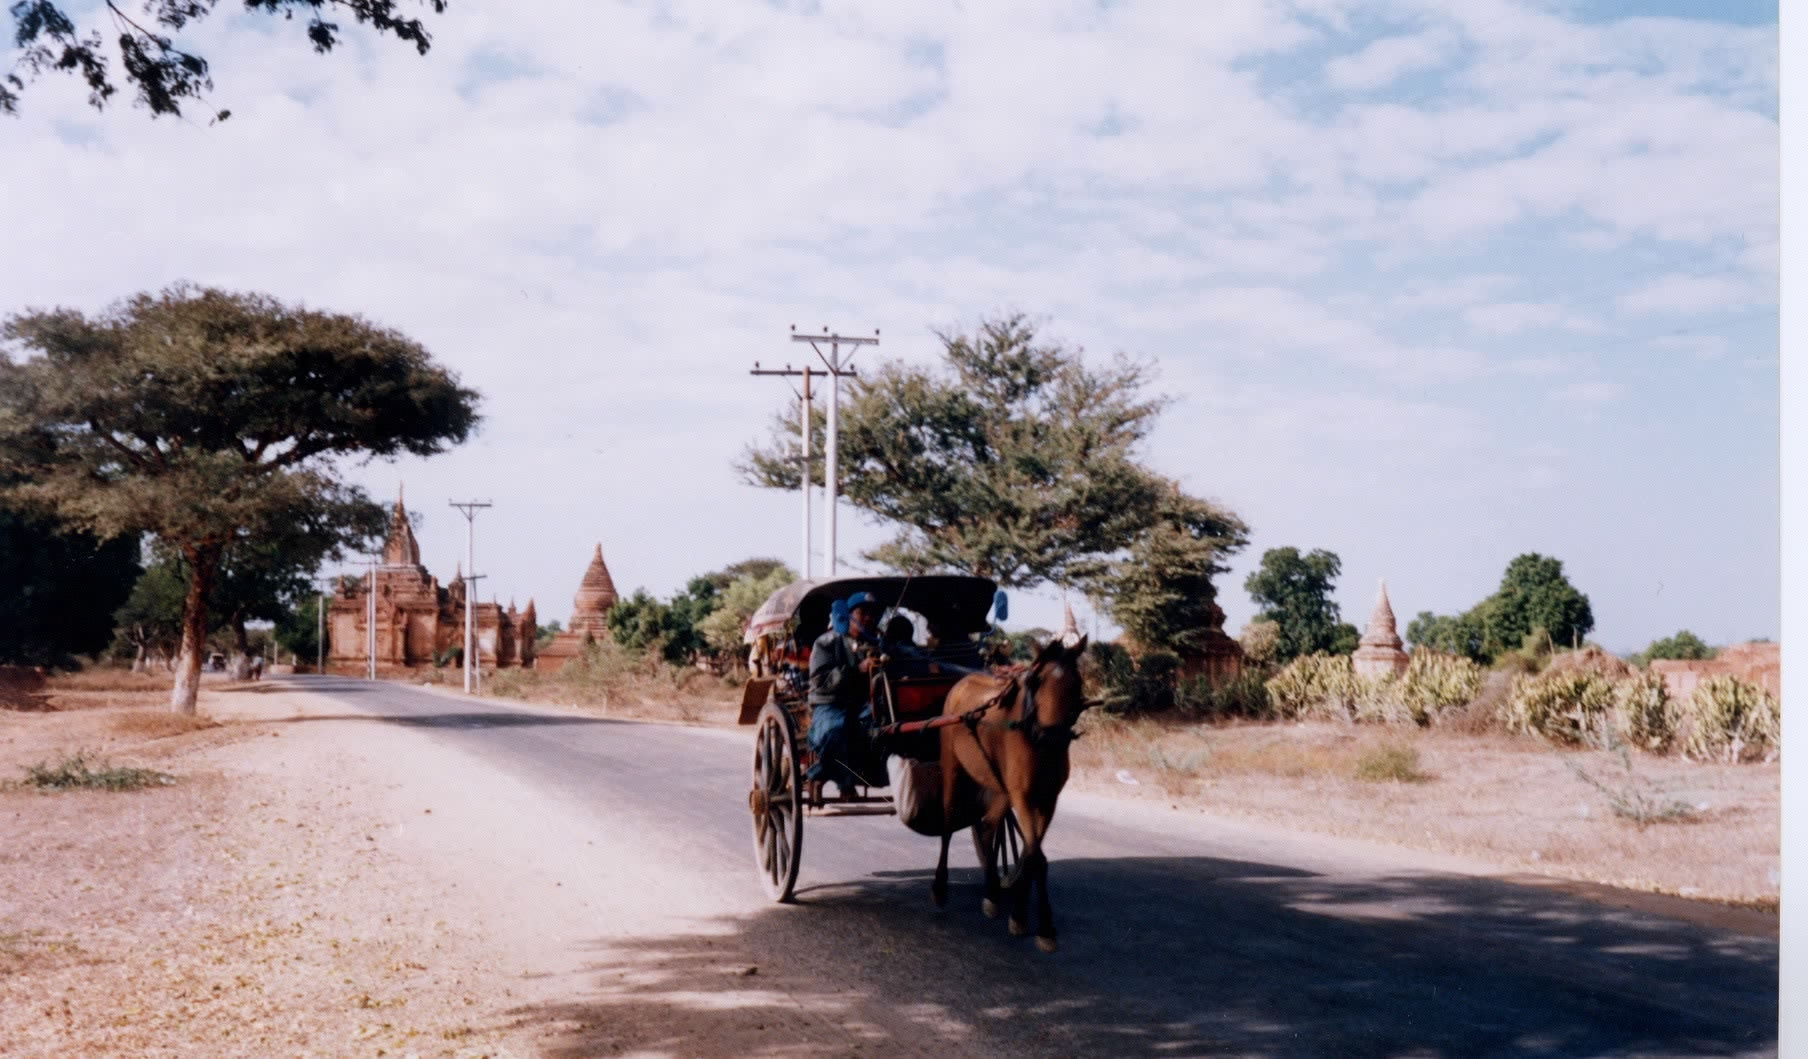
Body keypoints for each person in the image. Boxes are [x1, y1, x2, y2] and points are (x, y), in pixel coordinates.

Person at [806, 591, 882, 799]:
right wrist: (857, 669)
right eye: (862, 612)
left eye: (872, 613)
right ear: (848, 615)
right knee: (834, 730)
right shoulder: (826, 643)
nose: (868, 618)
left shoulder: (878, 645)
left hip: (863, 706)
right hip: (829, 704)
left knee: (886, 728)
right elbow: (820, 681)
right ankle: (821, 775)